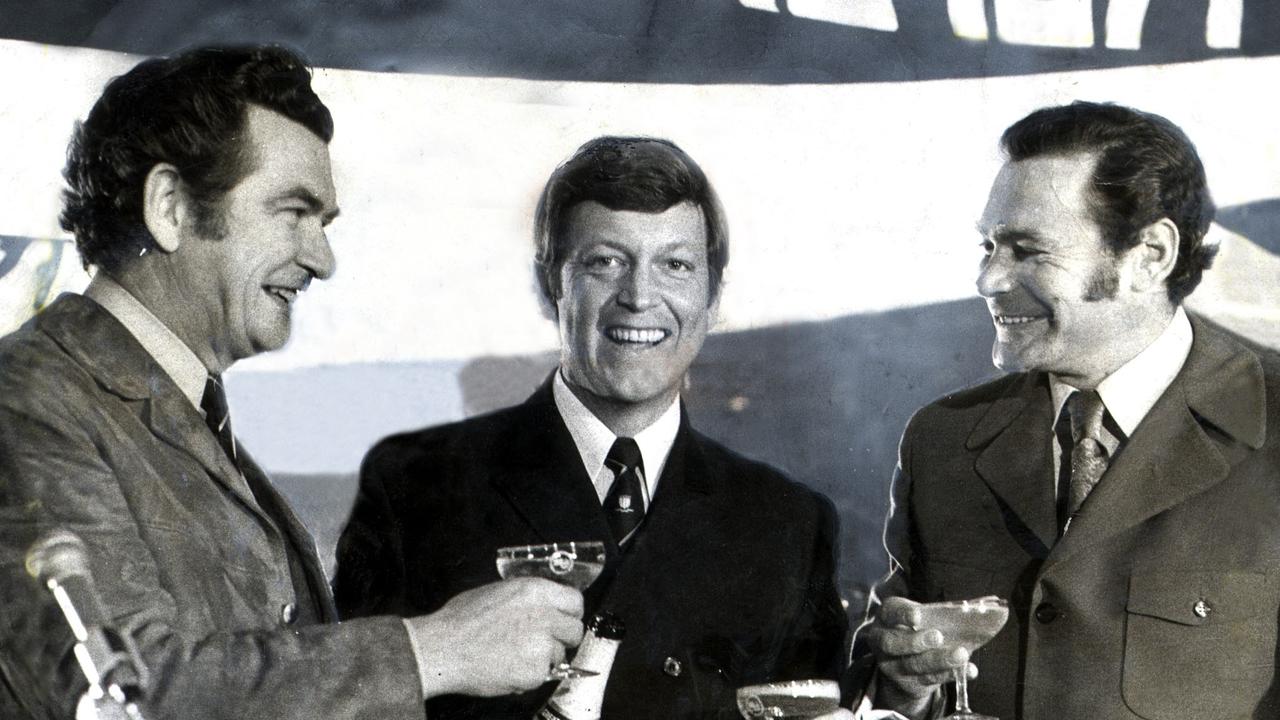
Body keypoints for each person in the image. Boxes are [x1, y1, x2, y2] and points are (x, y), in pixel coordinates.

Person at [0, 45, 584, 720]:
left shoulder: (170, 406)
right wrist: (435, 652)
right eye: (294, 212)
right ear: (170, 208)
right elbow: (126, 698)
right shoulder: (26, 405)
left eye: (324, 223)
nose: (322, 259)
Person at [333, 136, 850, 718]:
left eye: (675, 265)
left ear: (712, 297)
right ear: (548, 284)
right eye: (606, 262)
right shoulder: (415, 487)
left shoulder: (787, 522)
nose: (639, 297)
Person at [858, 100, 1280, 719]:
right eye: (990, 245)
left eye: (1028, 250)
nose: (988, 279)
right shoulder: (942, 440)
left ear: (1151, 256)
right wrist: (900, 686)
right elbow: (877, 684)